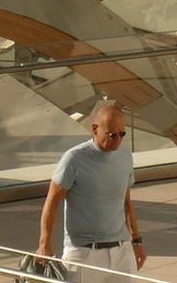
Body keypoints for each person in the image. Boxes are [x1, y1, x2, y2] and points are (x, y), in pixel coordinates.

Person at [37, 101, 144, 282]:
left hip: (121, 252)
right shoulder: (74, 159)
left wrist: (137, 241)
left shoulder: (125, 156)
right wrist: (44, 243)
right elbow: (52, 201)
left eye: (122, 134)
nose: (118, 140)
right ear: (95, 129)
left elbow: (126, 201)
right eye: (112, 135)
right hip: (84, 253)